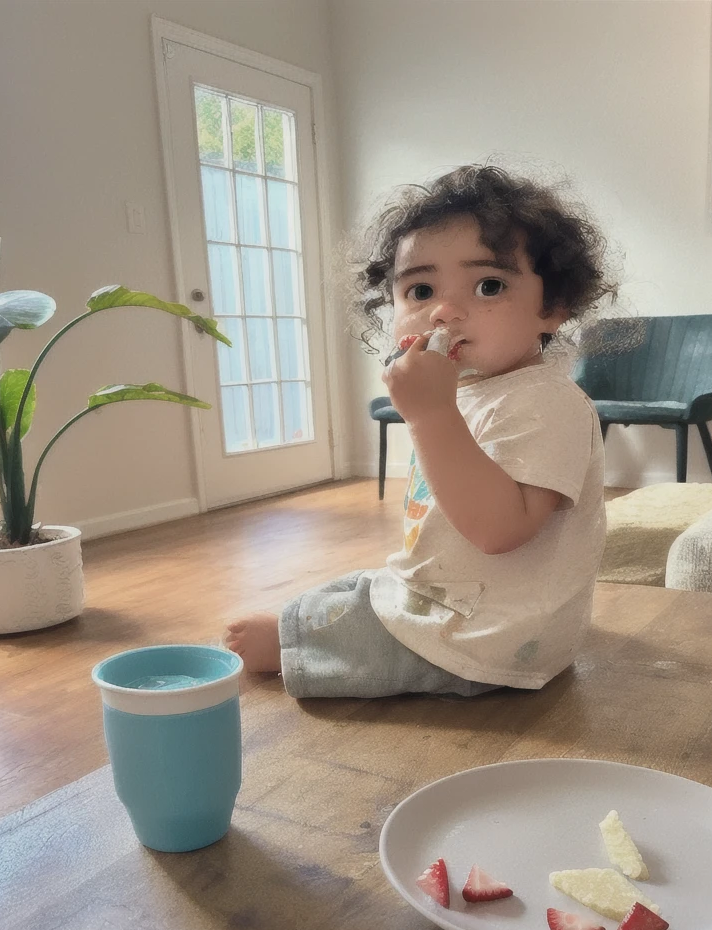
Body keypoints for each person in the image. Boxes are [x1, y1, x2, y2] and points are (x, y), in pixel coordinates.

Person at [225, 164, 612, 698]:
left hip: (488, 635)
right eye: (421, 289)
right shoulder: (474, 392)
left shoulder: (548, 402)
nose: (445, 312)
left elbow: (500, 531)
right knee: (361, 586)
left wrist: (431, 416)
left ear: (553, 308)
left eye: (489, 285)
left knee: (349, 629)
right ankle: (313, 621)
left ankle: (292, 645)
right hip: (456, 595)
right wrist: (435, 409)